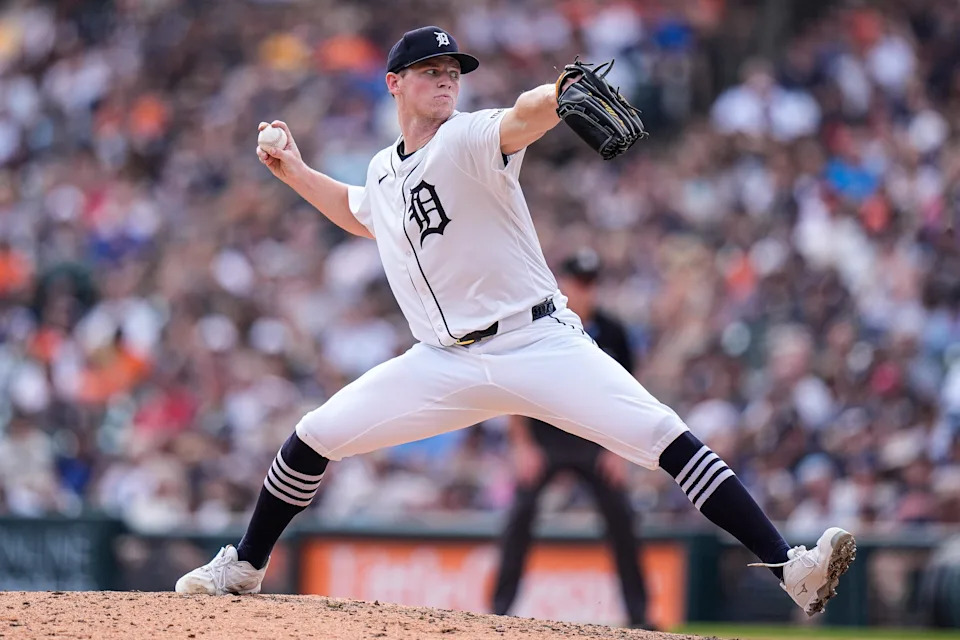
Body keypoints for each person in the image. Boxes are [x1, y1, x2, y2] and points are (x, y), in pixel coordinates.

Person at [175, 25, 856, 618]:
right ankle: (244, 566)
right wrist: (293, 171)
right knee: (313, 435)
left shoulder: (470, 138)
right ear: (394, 85)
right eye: (432, 73)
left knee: (661, 434)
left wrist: (559, 91)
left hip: (536, 341)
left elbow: (521, 117)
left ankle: (790, 566)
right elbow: (357, 213)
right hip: (441, 362)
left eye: (453, 73)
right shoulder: (384, 172)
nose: (447, 81)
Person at [490, 248, 653, 628]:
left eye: (591, 284)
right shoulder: (540, 325)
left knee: (623, 518)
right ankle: (498, 611)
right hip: (545, 438)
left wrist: (619, 451)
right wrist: (522, 445)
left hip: (596, 441)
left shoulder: (613, 332)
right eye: (579, 282)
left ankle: (640, 616)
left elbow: (629, 394)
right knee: (519, 518)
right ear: (562, 284)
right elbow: (514, 389)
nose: (585, 291)